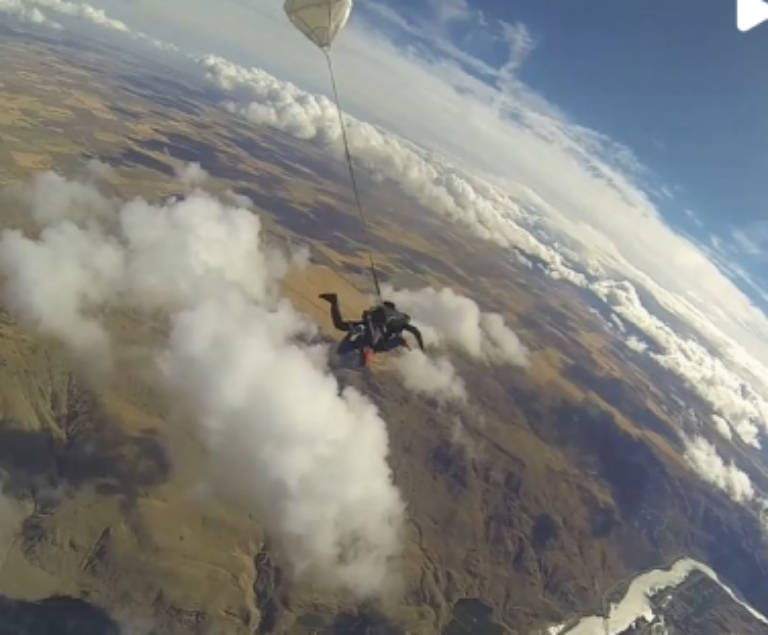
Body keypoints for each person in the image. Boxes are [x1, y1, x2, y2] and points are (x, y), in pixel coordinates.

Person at [320, 293, 424, 366]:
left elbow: (342, 349)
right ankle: (334, 301)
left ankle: (334, 301)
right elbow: (401, 339)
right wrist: (407, 344)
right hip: (372, 324)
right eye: (367, 356)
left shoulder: (363, 345)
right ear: (371, 356)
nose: (365, 353)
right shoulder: (381, 346)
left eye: (363, 356)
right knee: (366, 338)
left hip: (365, 327)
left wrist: (354, 333)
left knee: (340, 328)